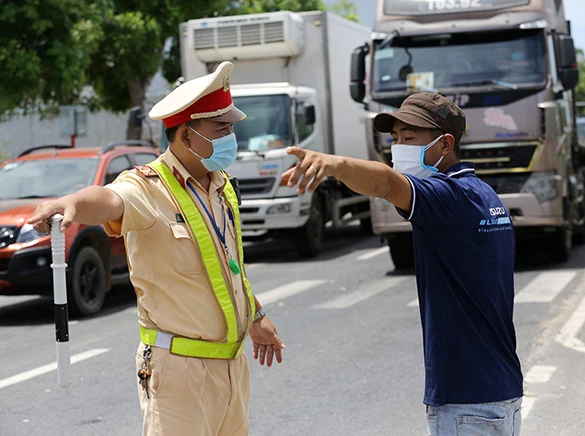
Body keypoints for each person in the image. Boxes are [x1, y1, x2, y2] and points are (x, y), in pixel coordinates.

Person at [29, 61, 285, 436]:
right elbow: (110, 199)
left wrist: (256, 315)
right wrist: (72, 203)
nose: (232, 137)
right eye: (221, 129)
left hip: (231, 366)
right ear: (186, 136)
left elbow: (229, 266)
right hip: (178, 371)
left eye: (231, 127)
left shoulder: (221, 186)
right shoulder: (147, 187)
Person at [283, 93, 523, 436]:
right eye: (395, 139)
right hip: (498, 392)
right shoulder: (483, 194)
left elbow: (385, 183)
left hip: (467, 402)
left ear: (445, 144)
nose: (399, 148)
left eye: (410, 138)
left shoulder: (447, 198)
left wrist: (335, 164)